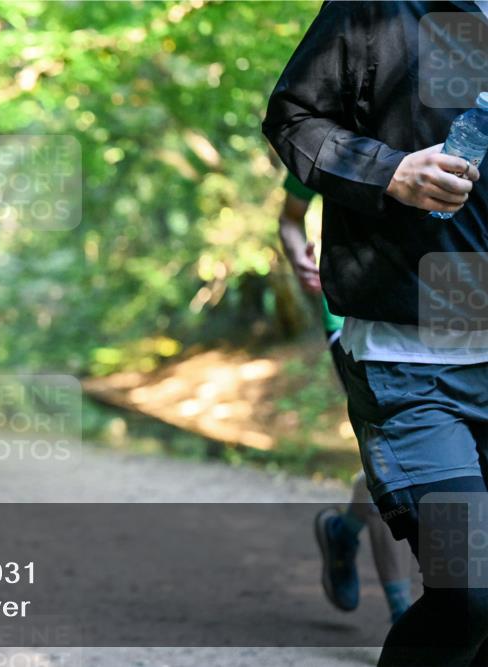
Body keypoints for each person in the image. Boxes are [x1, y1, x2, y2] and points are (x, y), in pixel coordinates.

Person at [263, 2, 488, 666]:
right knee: (469, 591)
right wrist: (389, 171)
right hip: (411, 363)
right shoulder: (377, 5)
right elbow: (293, 116)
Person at [277, 172, 413, 624]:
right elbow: (290, 217)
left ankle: (344, 529)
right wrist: (299, 258)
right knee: (392, 461)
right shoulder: (333, 140)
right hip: (355, 322)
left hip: (452, 325)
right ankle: (404, 621)